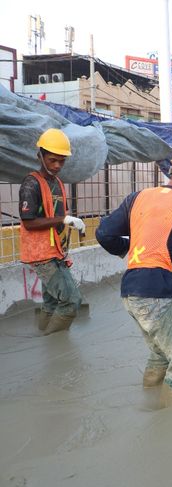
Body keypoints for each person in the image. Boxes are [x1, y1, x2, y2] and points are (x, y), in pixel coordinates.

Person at [95, 148, 172, 408]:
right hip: (157, 293)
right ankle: (171, 430)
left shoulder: (138, 197)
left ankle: (148, 407)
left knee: (161, 354)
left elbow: (103, 233)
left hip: (131, 291)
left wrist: (127, 248)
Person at [19, 128, 85, 334]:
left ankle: (43, 338)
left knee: (50, 303)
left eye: (61, 161)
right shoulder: (31, 184)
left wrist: (69, 223)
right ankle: (53, 345)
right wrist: (63, 218)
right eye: (52, 160)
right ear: (40, 155)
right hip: (41, 254)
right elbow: (28, 222)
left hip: (55, 250)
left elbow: (55, 213)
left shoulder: (56, 183)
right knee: (71, 301)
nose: (57, 165)